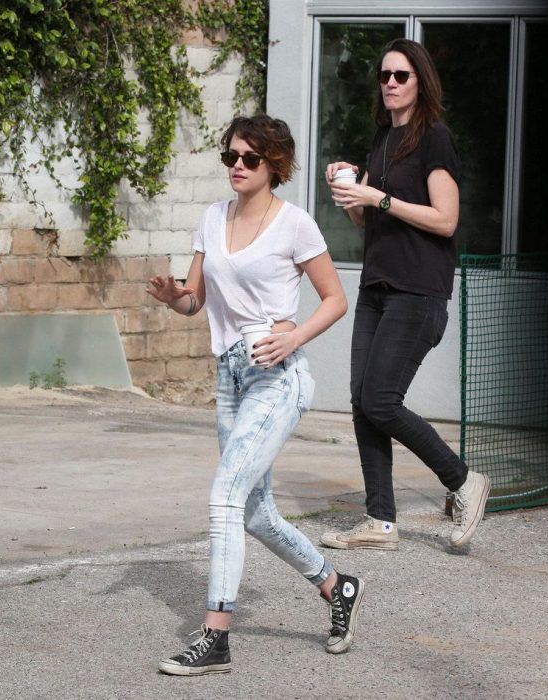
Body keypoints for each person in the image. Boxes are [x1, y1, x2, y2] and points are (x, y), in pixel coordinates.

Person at [147, 114, 364, 676]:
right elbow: (195, 301)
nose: (237, 167)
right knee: (254, 512)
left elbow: (335, 299)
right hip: (229, 376)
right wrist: (173, 297)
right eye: (230, 157)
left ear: (275, 165)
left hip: (277, 374)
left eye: (249, 158)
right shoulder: (211, 219)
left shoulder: (294, 225)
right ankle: (337, 587)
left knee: (224, 495)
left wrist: (292, 334)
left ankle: (216, 635)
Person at [320, 38, 490, 552]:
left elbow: (446, 219)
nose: (390, 83)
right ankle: (380, 522)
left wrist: (381, 196)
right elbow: (364, 217)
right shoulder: (382, 139)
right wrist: (348, 190)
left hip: (418, 291)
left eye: (401, 76)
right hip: (377, 285)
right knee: (361, 402)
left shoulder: (434, 138)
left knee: (381, 399)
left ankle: (463, 481)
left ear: (420, 82)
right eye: (384, 76)